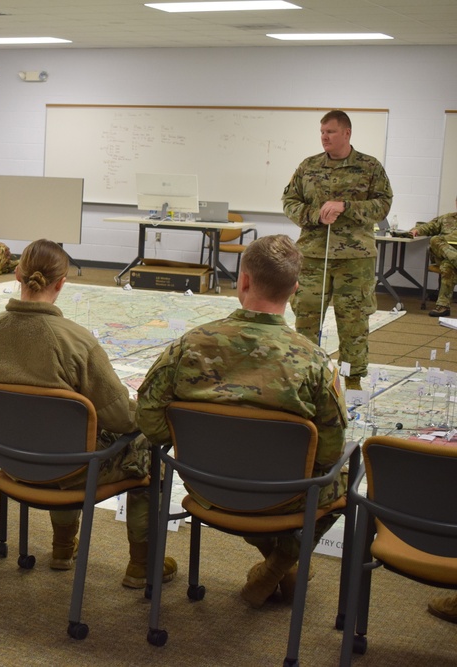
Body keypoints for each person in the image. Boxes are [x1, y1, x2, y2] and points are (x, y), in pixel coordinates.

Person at [137, 234, 347, 609]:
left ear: (244, 280)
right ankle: (281, 565)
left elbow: (148, 416)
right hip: (283, 498)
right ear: (295, 290)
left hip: (206, 488)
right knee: (347, 483)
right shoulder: (315, 362)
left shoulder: (190, 345)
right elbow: (329, 453)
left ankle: (275, 567)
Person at [0, 239, 176, 584]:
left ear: (17, 274)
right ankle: (142, 565)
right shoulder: (77, 342)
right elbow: (122, 419)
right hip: (72, 470)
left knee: (58, 436)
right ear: (61, 283)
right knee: (145, 449)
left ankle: (64, 548)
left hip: (11, 461)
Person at [282, 109, 393, 390]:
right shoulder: (308, 166)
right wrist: (314, 215)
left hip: (355, 259)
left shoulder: (370, 167)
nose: (324, 137)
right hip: (313, 255)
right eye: (321, 132)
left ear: (347, 133)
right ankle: (306, 376)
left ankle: (352, 380)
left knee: (353, 320)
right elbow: (289, 201)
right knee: (306, 315)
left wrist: (347, 206)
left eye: (330, 132)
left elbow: (383, 205)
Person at [409, 197, 457, 317]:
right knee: (435, 239)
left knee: (447, 266)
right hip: (441, 252)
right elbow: (428, 227)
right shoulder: (447, 218)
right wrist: (416, 230)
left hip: (448, 261)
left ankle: (443, 307)